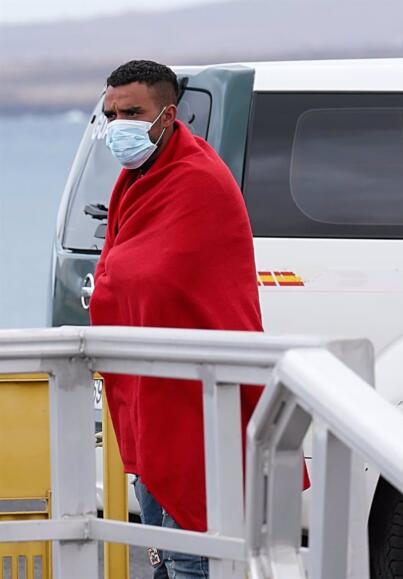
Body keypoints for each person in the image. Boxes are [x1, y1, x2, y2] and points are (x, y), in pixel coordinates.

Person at [89, 60, 264, 578]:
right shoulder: (136, 178)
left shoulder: (197, 180)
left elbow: (158, 276)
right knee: (162, 543)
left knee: (192, 550)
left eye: (133, 112)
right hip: (153, 387)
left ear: (167, 114)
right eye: (111, 113)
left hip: (194, 395)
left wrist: (114, 282)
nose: (120, 124)